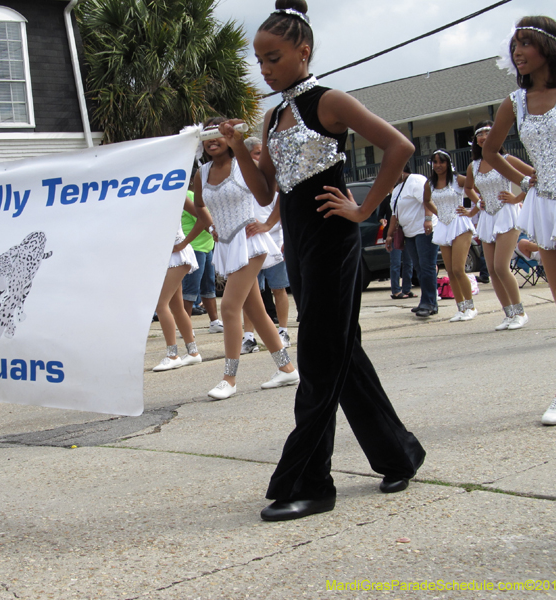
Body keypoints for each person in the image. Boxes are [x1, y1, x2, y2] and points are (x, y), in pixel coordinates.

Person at [220, 0, 425, 521]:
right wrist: (239, 147)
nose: (264, 68)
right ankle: (398, 454)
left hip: (335, 245)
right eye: (259, 60)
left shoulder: (327, 101)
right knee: (341, 355)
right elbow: (267, 193)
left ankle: (311, 482)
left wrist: (363, 209)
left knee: (316, 358)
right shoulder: (273, 117)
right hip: (301, 247)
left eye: (273, 57)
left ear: (303, 51)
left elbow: (398, 146)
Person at [483, 17, 556, 426]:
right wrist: (525, 179)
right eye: (513, 45)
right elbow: (492, 152)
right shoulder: (513, 103)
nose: (515, 52)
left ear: (547, 48)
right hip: (544, 202)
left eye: (524, 44)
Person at [193, 116, 299, 401]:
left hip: (250, 242)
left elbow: (277, 194)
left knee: (228, 308)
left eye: (218, 134)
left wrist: (267, 225)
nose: (213, 140)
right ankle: (287, 368)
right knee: (255, 312)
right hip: (226, 246)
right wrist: (212, 225)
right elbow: (200, 205)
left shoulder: (242, 165)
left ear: (229, 137)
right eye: (207, 136)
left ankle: (229, 378)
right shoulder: (201, 173)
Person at [464, 121, 534, 330]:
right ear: (476, 140)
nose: (484, 136)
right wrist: (478, 203)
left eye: (488, 132)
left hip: (507, 214)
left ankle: (520, 312)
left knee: (502, 266)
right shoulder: (473, 166)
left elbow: (533, 176)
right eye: (480, 134)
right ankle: (509, 313)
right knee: (493, 270)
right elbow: (468, 188)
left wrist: (517, 197)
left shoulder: (506, 159)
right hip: (487, 217)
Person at [241, 137, 293, 351]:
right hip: (248, 248)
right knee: (248, 294)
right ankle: (249, 337)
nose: (261, 158)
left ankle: (283, 331)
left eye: (263, 153)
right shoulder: (239, 181)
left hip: (273, 244)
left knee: (278, 290)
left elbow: (284, 204)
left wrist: (268, 225)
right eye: (256, 153)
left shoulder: (270, 180)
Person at [152, 196, 211, 372]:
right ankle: (193, 353)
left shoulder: (176, 191)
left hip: (177, 255)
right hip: (166, 256)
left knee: (161, 305)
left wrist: (184, 243)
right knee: (176, 306)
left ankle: (172, 355)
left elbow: (205, 219)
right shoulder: (148, 192)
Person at [424, 149, 476, 322]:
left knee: (458, 269)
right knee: (450, 272)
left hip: (460, 224)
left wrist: (471, 211)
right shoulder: (430, 183)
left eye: (442, 162)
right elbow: (426, 200)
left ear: (448, 163)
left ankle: (471, 306)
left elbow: (477, 193)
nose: (438, 165)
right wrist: (438, 212)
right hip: (443, 225)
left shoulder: (458, 180)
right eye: (435, 162)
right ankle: (461, 308)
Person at [386, 166, 435, 317]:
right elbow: (394, 215)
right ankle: (425, 301)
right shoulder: (397, 190)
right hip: (409, 233)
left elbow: (427, 201)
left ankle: (430, 303)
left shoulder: (416, 180)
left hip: (423, 230)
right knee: (419, 268)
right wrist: (389, 236)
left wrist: (428, 219)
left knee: (427, 267)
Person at [181, 186, 222, 333]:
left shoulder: (195, 195)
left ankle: (214, 322)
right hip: (194, 248)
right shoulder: (188, 195)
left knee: (208, 287)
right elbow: (202, 220)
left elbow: (207, 220)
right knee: (190, 290)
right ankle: (185, 327)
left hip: (206, 247)